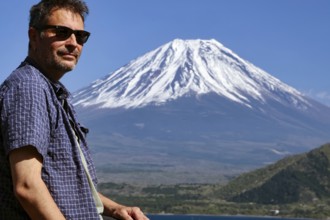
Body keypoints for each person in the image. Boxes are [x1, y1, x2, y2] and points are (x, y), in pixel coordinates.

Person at [0, 0, 149, 220]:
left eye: (80, 36)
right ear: (33, 36)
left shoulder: (52, 91)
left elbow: (64, 185)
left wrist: (114, 208)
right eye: (62, 32)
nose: (73, 43)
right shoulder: (29, 87)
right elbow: (27, 186)